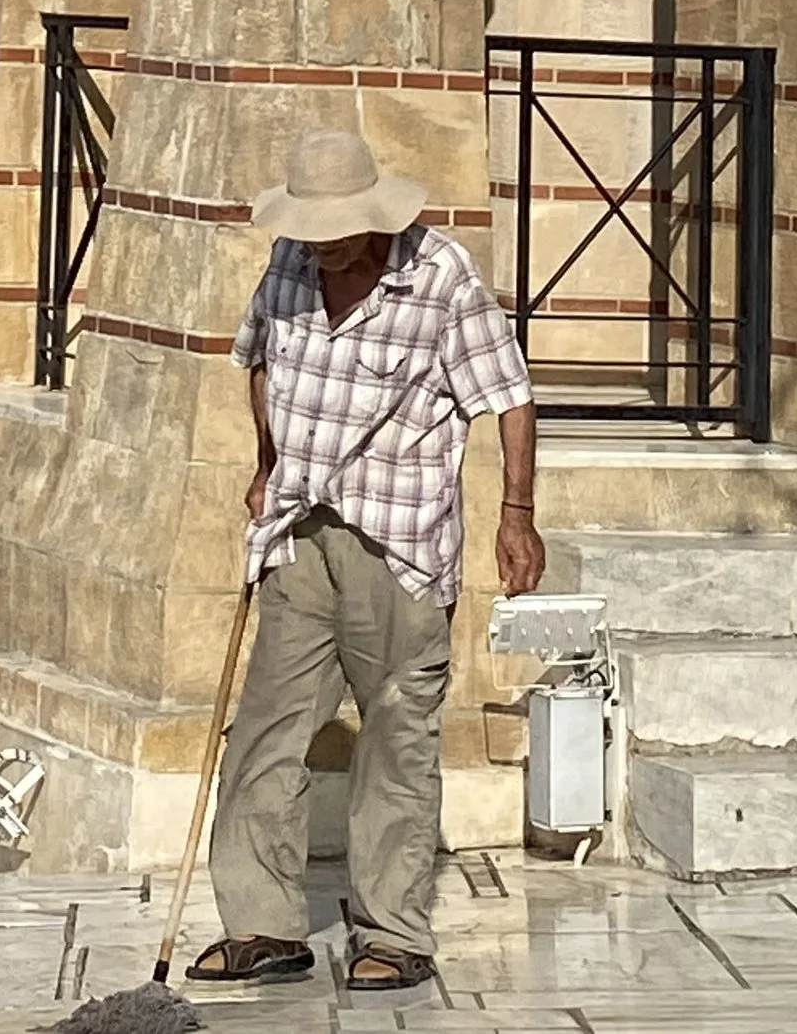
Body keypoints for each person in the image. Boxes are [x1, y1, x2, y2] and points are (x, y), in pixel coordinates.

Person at [189, 125, 541, 997]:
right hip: (301, 531)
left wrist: (518, 515)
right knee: (265, 730)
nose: (327, 242)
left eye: (340, 225)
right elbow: (260, 361)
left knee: (395, 737)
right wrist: (267, 464)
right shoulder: (290, 261)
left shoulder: (442, 275)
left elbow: (511, 394)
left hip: (401, 544)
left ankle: (393, 930)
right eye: (315, 226)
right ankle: (263, 924)